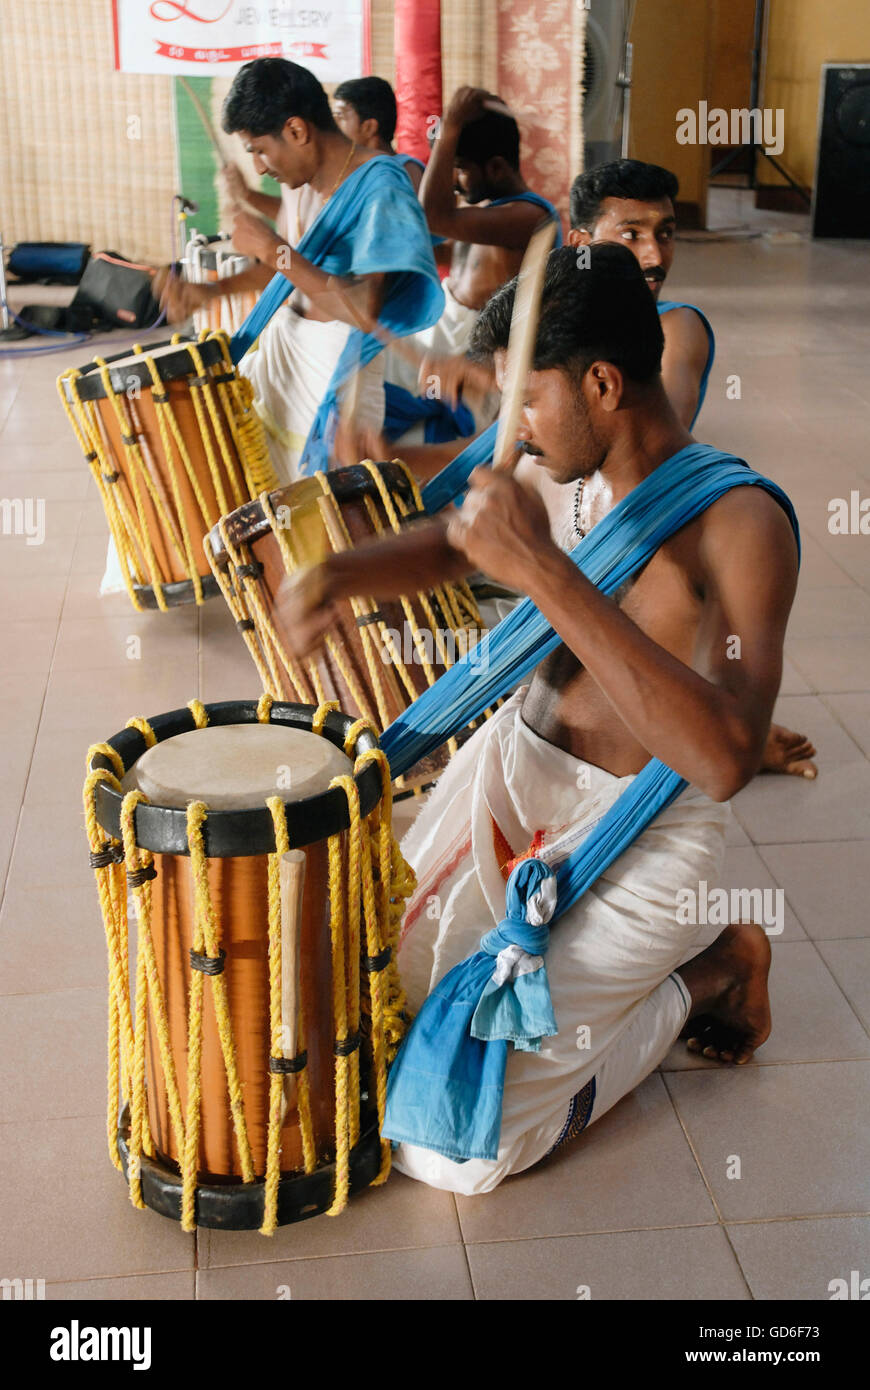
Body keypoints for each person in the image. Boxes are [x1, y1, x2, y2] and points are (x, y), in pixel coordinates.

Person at [277, 244, 799, 1193]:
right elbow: (452, 544)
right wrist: (341, 574)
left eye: (529, 397)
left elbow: (725, 757)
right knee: (377, 1015)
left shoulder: (740, 524)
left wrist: (548, 574)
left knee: (451, 1151)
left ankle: (709, 972)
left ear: (602, 383)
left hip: (637, 842)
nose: (511, 428)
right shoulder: (563, 463)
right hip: (514, 782)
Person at [172, 58, 442, 485]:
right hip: (283, 362)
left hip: (334, 387)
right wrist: (212, 291)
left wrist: (274, 249)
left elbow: (362, 311)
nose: (259, 166)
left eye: (259, 149)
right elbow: (288, 279)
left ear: (297, 131)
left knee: (316, 537)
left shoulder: (381, 186)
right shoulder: (297, 184)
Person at [378, 86, 562, 451]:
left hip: (470, 360)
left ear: (495, 167)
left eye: (459, 169)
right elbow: (423, 242)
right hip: (441, 340)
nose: (454, 183)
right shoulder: (482, 216)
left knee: (364, 378)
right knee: (354, 347)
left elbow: (431, 217)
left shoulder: (529, 216)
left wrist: (450, 131)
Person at [332, 76, 425, 191]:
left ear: (369, 127)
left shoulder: (405, 170)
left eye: (340, 116)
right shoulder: (349, 171)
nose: (333, 125)